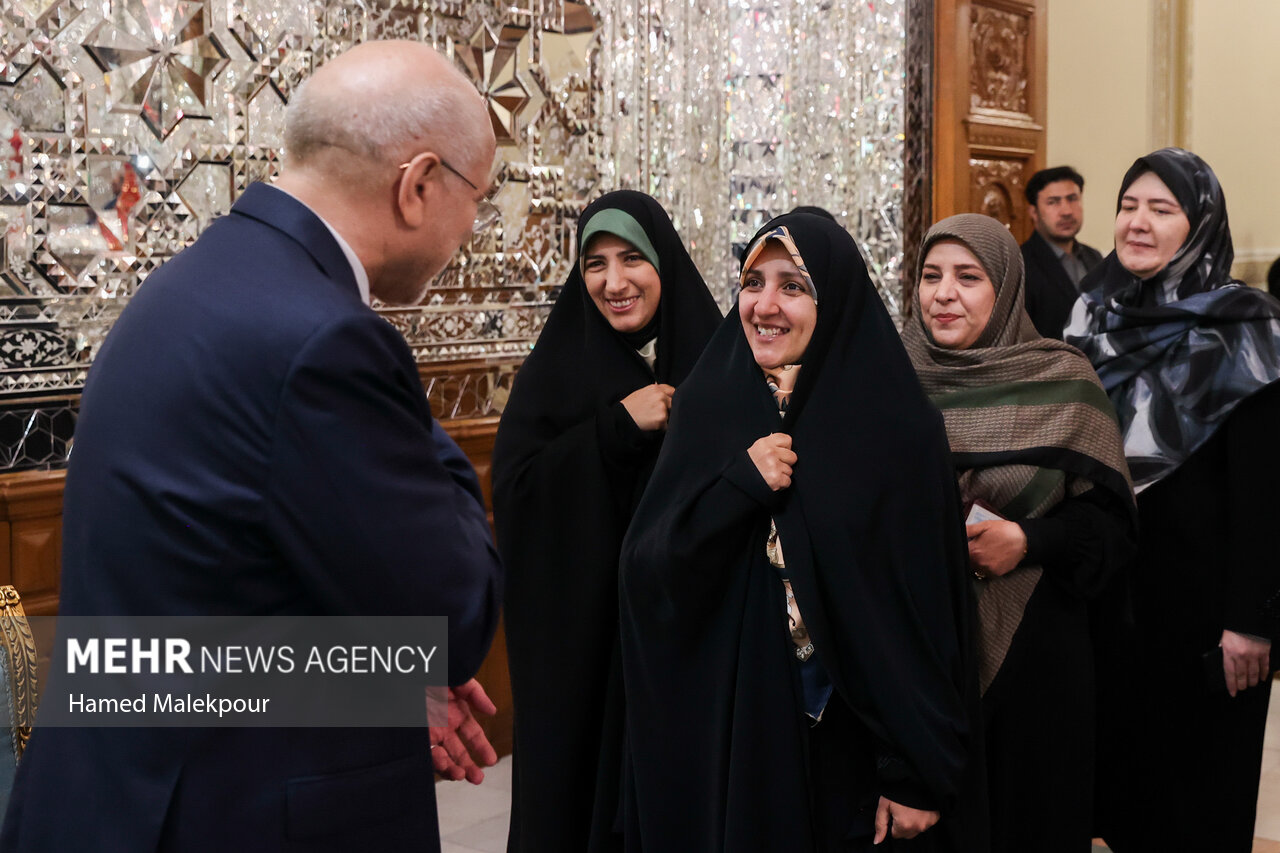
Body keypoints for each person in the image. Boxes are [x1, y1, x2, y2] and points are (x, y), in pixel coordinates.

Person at [0, 41, 504, 852]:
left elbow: (199, 611)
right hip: (226, 813)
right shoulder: (327, 337)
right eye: (476, 197)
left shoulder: (189, 282)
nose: (471, 230)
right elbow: (453, 618)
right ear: (417, 185)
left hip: (117, 795)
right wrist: (407, 397)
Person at [619, 211, 986, 852]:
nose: (765, 305)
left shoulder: (898, 428)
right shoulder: (709, 406)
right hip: (740, 734)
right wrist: (738, 486)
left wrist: (915, 769)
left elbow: (927, 612)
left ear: (832, 299)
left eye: (792, 286)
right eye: (752, 282)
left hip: (860, 750)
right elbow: (649, 572)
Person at [1065, 147, 1280, 852]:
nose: (1138, 222)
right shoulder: (1090, 317)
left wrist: (1252, 622)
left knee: (1201, 804)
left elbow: (1266, 495)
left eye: (1162, 209)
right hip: (1109, 600)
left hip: (1207, 617)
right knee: (1124, 800)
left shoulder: (1249, 328)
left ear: (1200, 224)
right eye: (1128, 205)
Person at [492, 189, 721, 851]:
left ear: (664, 261)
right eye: (595, 263)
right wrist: (616, 428)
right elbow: (518, 490)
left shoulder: (714, 359)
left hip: (686, 639)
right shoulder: (558, 368)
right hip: (584, 649)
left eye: (631, 259)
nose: (614, 282)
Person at [902, 213, 1136, 853]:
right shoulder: (890, 378)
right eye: (930, 275)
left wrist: (1029, 540)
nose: (943, 294)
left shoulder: (1062, 381)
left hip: (1038, 664)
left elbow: (1111, 531)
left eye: (968, 277)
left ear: (1006, 288)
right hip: (919, 659)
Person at [1021, 166, 1105, 339]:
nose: (1066, 211)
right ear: (1034, 212)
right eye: (1053, 202)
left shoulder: (1094, 257)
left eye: (1072, 199)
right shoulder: (1020, 263)